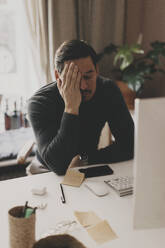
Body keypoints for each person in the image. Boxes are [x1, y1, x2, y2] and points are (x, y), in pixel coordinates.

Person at [28, 39, 134, 175]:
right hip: (47, 170)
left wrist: (86, 159)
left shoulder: (108, 90)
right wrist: (71, 108)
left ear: (97, 70)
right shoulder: (39, 103)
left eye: (88, 76)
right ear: (58, 76)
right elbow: (58, 165)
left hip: (87, 164)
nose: (83, 86)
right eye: (75, 78)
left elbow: (130, 145)